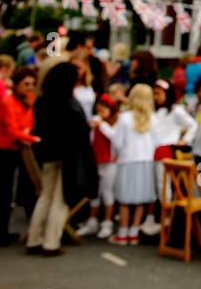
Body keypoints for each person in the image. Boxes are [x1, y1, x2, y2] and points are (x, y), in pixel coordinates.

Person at [26, 62, 98, 256]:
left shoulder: (42, 101)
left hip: (47, 153)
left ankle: (34, 238)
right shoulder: (70, 104)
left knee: (45, 196)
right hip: (69, 156)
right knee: (61, 199)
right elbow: (81, 132)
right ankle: (51, 242)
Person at [96, 84, 162, 246]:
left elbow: (118, 142)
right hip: (145, 161)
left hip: (127, 161)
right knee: (141, 199)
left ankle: (123, 232)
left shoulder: (125, 118)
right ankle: (134, 232)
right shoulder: (153, 118)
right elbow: (157, 142)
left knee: (124, 199)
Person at [0, 66, 39, 246]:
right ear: (16, 84)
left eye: (32, 84)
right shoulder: (8, 101)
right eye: (26, 83)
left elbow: (26, 123)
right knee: (2, 192)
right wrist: (32, 137)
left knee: (6, 193)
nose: (30, 87)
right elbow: (12, 128)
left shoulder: (27, 99)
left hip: (12, 147)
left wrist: (26, 134)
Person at [141, 80, 197, 236]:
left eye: (159, 93)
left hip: (167, 150)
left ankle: (167, 219)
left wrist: (184, 140)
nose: (156, 97)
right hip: (154, 150)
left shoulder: (176, 110)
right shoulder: (156, 111)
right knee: (157, 185)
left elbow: (193, 124)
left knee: (164, 186)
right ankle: (159, 218)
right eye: (155, 94)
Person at [79, 95, 120, 239]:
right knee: (94, 192)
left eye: (103, 111)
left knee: (107, 192)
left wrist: (101, 124)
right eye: (98, 111)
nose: (99, 114)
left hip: (110, 162)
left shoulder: (113, 124)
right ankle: (92, 221)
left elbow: (114, 137)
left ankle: (107, 223)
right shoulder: (96, 125)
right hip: (96, 161)